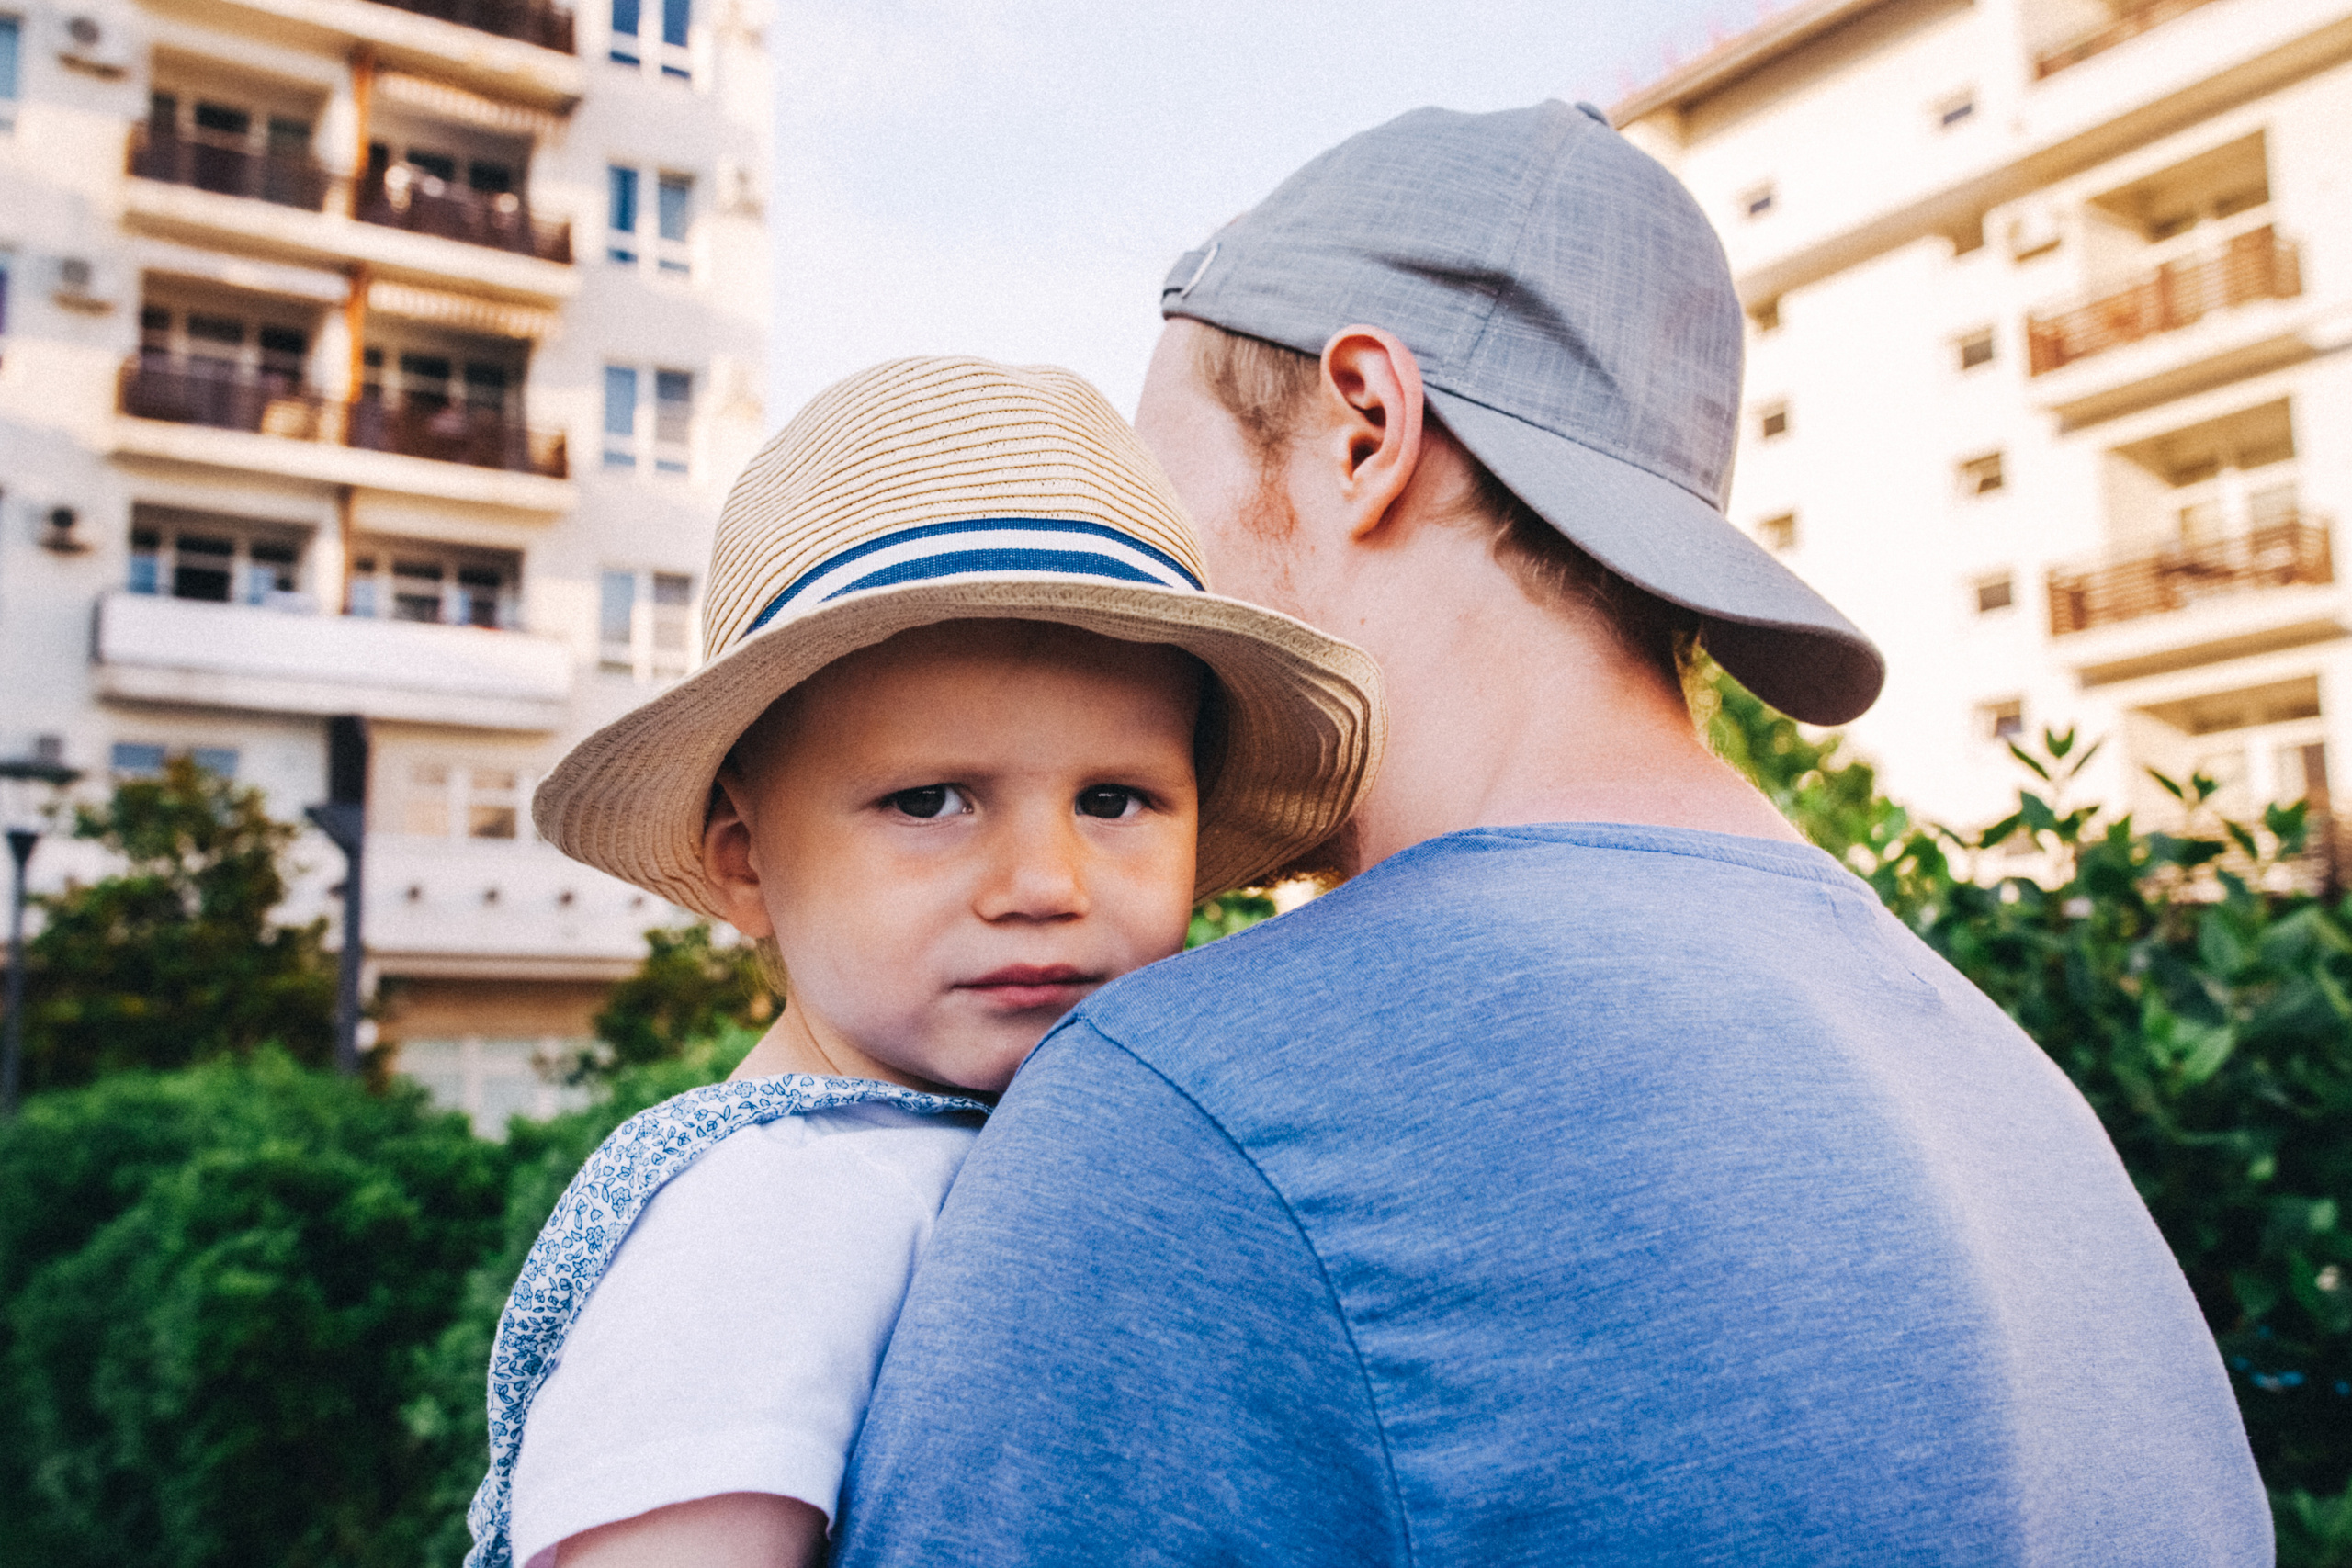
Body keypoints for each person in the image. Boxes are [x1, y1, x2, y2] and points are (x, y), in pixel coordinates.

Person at [835, 103, 2273, 1564]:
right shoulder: (2018, 1103)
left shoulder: (1189, 1112)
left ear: (1366, 428)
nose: (1142, 582)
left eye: (1160, 483)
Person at [461, 356, 1382, 1568]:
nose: (1045, 884)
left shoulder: (958, 1145)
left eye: (1114, 799)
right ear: (744, 861)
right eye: (931, 801)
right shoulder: (774, 1211)